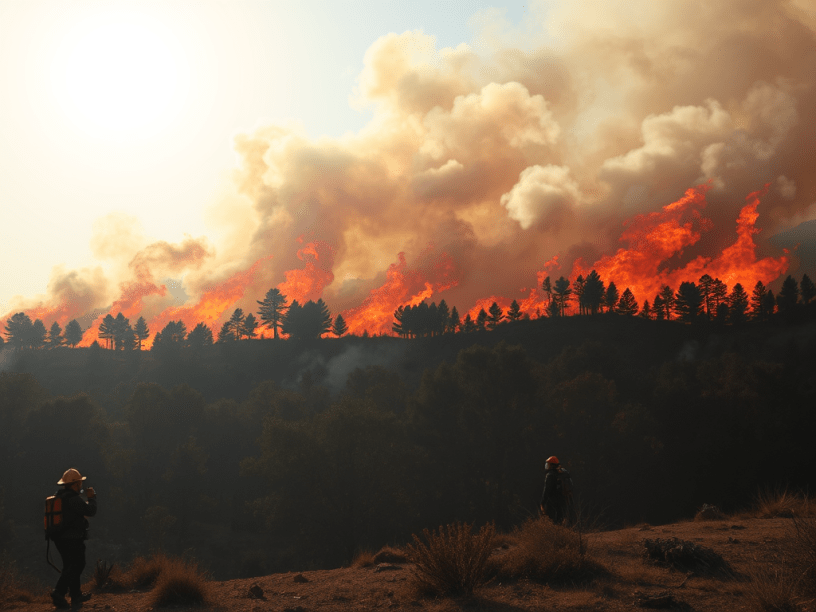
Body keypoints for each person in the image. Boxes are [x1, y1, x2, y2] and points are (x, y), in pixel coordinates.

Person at [50, 468, 97, 610]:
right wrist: (92, 498)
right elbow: (90, 511)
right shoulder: (74, 499)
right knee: (77, 564)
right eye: (79, 483)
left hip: (59, 539)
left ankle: (76, 595)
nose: (81, 486)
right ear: (75, 484)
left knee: (69, 566)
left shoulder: (60, 497)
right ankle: (58, 593)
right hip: (72, 539)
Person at [539, 456, 573, 525]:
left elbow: (547, 490)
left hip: (553, 501)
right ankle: (561, 532)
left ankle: (555, 533)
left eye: (548, 464)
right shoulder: (564, 472)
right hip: (564, 499)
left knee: (553, 520)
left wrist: (543, 502)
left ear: (552, 465)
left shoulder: (550, 475)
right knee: (561, 518)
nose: (547, 465)